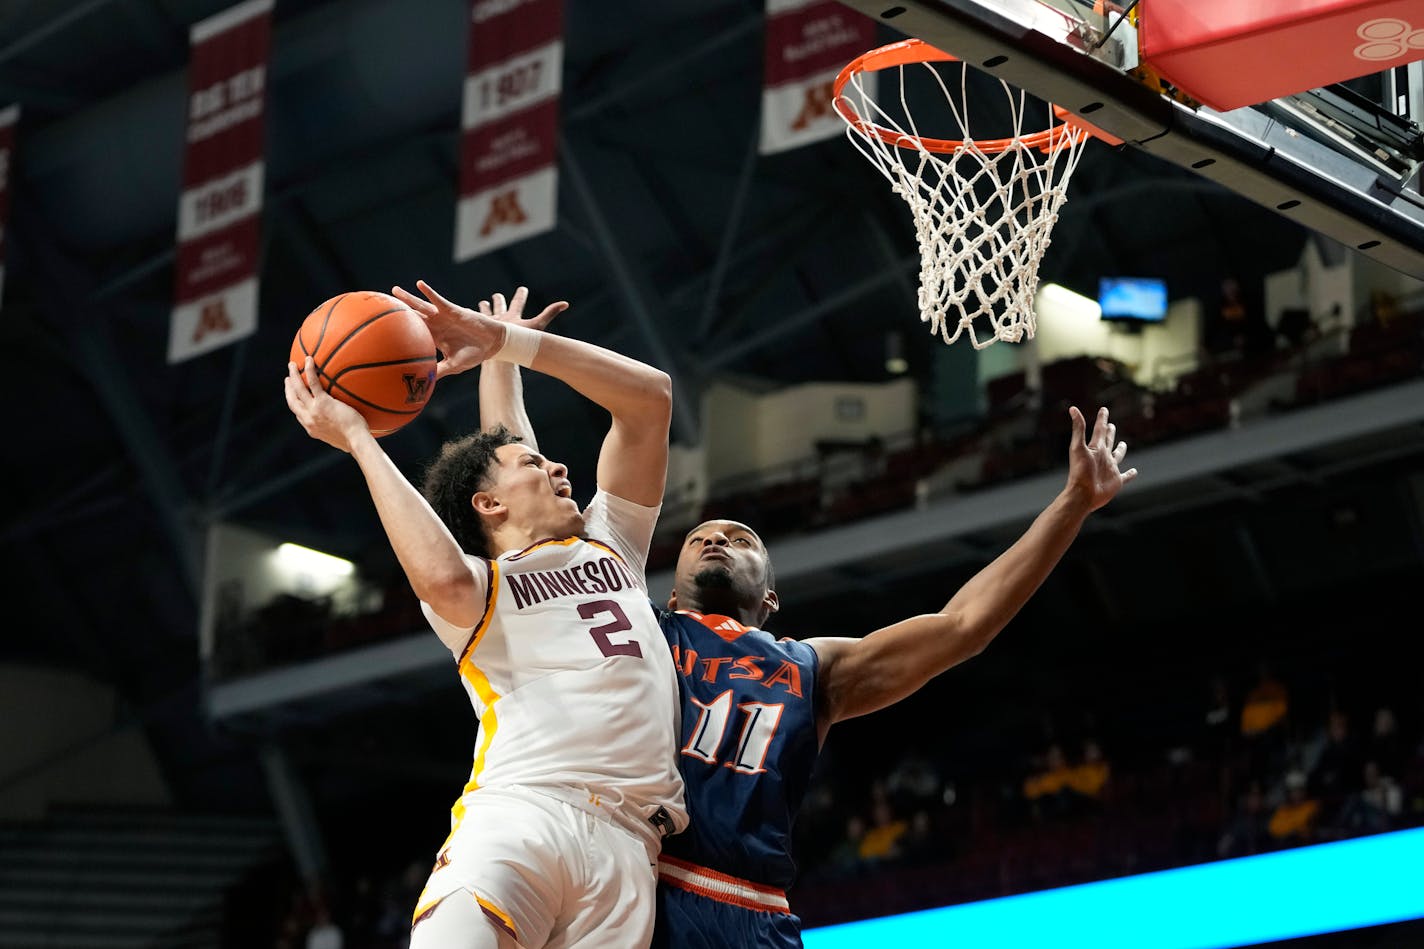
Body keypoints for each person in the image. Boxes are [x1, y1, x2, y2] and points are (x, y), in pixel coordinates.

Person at [477, 342, 1136, 947]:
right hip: (640, 892)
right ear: (672, 593)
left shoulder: (813, 667)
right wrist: (501, 353)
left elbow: (964, 625)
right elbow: (520, 495)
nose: (715, 539)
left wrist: (1073, 504)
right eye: (699, 536)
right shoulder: (639, 628)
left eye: (740, 538)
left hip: (754, 908)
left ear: (771, 599)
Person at [283, 282, 688, 949]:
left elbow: (651, 398)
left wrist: (507, 348)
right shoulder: (482, 590)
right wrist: (358, 438)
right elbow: (439, 571)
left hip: (630, 845)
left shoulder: (610, 539)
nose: (561, 465)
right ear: (489, 507)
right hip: (524, 811)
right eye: (536, 463)